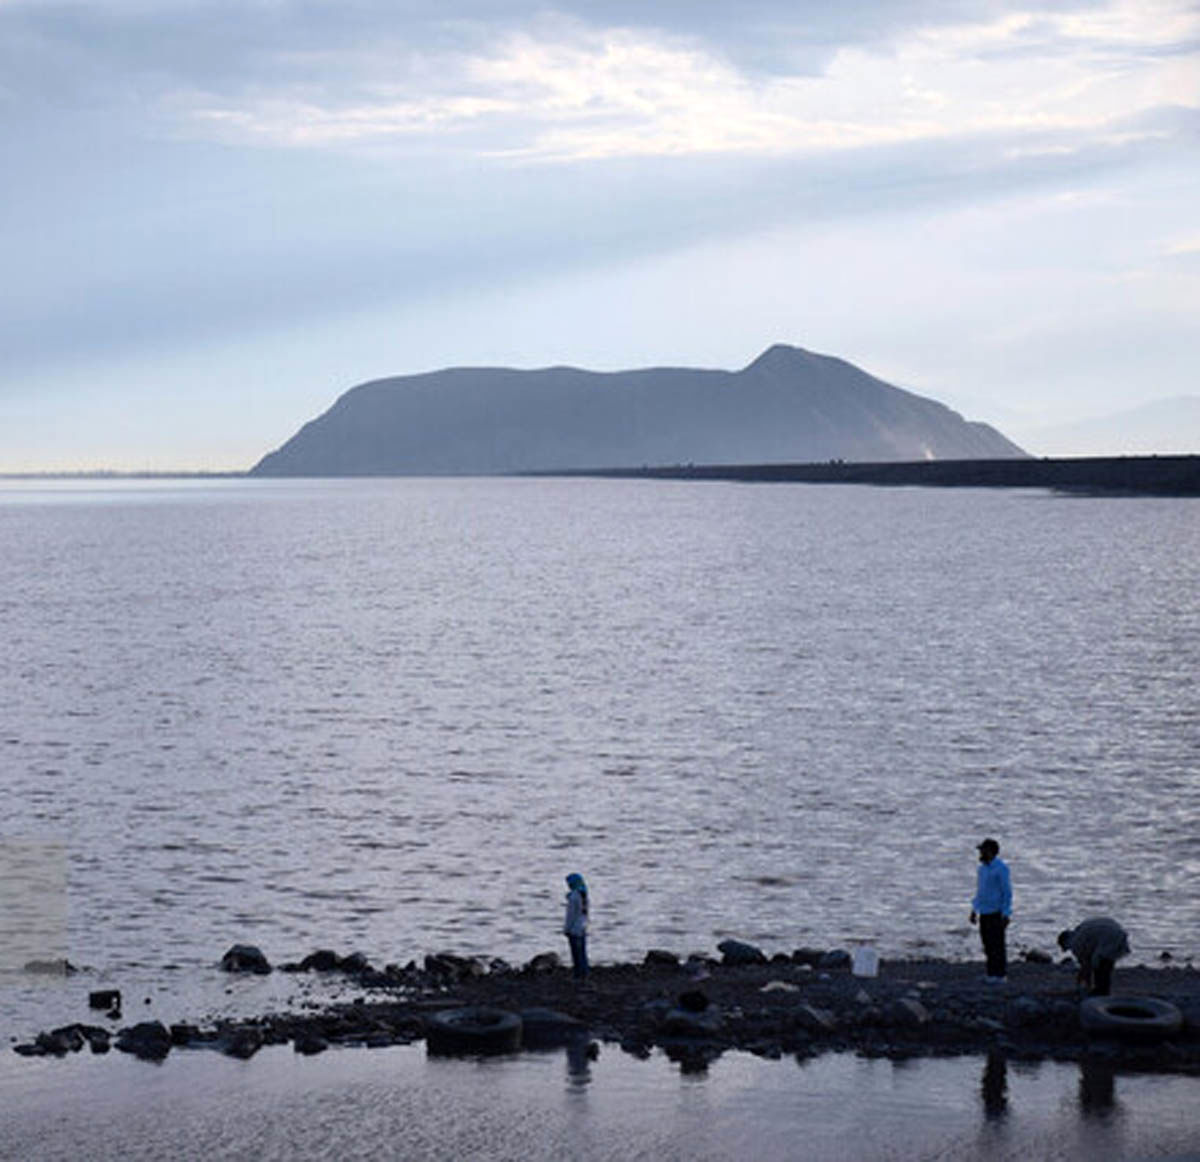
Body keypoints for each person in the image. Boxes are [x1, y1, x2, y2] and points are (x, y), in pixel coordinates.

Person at [969, 837, 1012, 981]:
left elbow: (1007, 892)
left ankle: (1000, 975)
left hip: (996, 911)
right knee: (987, 943)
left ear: (991, 851)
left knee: (997, 944)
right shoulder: (982, 869)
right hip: (984, 911)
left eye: (983, 850)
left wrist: (1006, 913)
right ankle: (991, 972)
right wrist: (974, 909)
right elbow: (980, 891)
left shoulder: (1001, 868)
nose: (980, 853)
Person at [1058, 916, 1129, 996]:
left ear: (1065, 942)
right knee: (1105, 964)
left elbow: (1086, 966)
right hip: (1118, 931)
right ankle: (1102, 990)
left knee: (1100, 964)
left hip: (1108, 936)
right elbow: (1087, 963)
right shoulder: (1081, 930)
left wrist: (1082, 981)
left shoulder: (1076, 942)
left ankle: (1100, 992)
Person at [563, 872, 589, 981]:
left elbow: (571, 915)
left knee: (576, 954)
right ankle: (584, 973)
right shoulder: (584, 895)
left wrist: (566, 929)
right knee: (582, 952)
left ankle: (578, 975)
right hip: (582, 927)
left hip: (574, 929)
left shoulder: (573, 897)